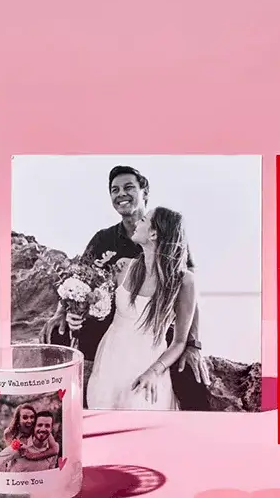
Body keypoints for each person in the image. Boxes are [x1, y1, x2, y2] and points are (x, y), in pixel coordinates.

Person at [41, 165, 211, 410]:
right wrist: (64, 313)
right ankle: (57, 405)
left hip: (155, 328)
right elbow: (80, 278)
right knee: (58, 334)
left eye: (129, 187)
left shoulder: (171, 238)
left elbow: (189, 297)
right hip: (111, 322)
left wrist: (192, 344)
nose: (121, 194)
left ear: (145, 191)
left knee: (190, 378)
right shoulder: (105, 241)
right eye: (114, 190)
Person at [86, 206, 197, 411]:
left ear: (153, 233)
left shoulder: (184, 281)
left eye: (144, 220)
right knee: (102, 412)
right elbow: (93, 301)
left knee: (141, 413)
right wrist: (73, 309)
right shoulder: (124, 266)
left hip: (148, 360)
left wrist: (154, 371)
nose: (137, 223)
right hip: (111, 356)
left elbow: (179, 341)